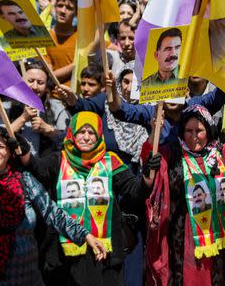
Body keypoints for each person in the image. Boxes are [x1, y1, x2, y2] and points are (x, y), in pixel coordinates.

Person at [0, 126, 107, 285]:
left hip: (25, 274)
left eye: (1, 147)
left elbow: (52, 212)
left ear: (10, 152)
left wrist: (85, 236)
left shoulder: (24, 179)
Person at [22, 111, 152, 286]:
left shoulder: (110, 161)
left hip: (106, 254)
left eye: (91, 133)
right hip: (67, 256)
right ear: (72, 134)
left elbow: (135, 191)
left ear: (99, 136)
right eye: (81, 132)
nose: (86, 137)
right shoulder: (58, 160)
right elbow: (37, 169)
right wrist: (23, 151)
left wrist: (147, 178)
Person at [145, 105, 225, 285]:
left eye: (199, 130)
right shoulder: (171, 154)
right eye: (188, 131)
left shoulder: (223, 153)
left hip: (217, 239)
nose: (194, 135)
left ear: (209, 130)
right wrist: (154, 132)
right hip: (183, 237)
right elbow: (150, 161)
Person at [45, 0, 78, 83]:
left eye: (69, 8)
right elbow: (50, 75)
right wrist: (77, 64)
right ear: (55, 8)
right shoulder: (45, 37)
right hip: (55, 95)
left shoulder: (83, 35)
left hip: (81, 95)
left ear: (76, 13)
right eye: (60, 6)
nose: (63, 11)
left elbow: (110, 48)